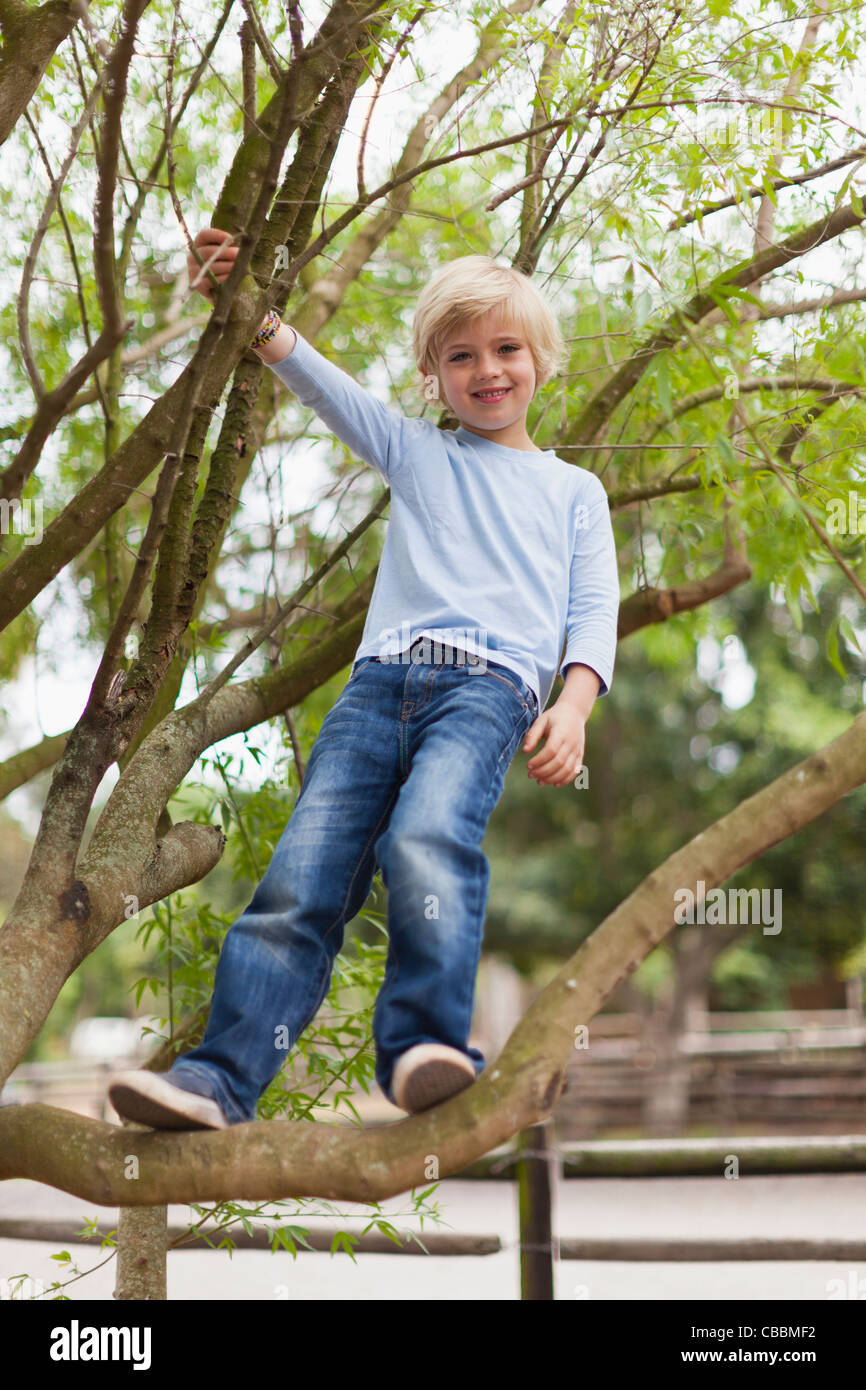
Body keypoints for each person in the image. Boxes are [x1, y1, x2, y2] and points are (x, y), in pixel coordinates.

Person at [107, 227, 620, 1129]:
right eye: (460, 356)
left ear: (542, 361)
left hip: (486, 692)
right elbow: (317, 378)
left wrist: (573, 706)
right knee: (301, 880)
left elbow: (593, 613)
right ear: (433, 374)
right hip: (375, 691)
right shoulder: (420, 452)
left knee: (426, 838)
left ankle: (425, 1043)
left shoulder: (574, 493)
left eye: (506, 350)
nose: (486, 370)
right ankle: (215, 1083)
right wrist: (246, 303)